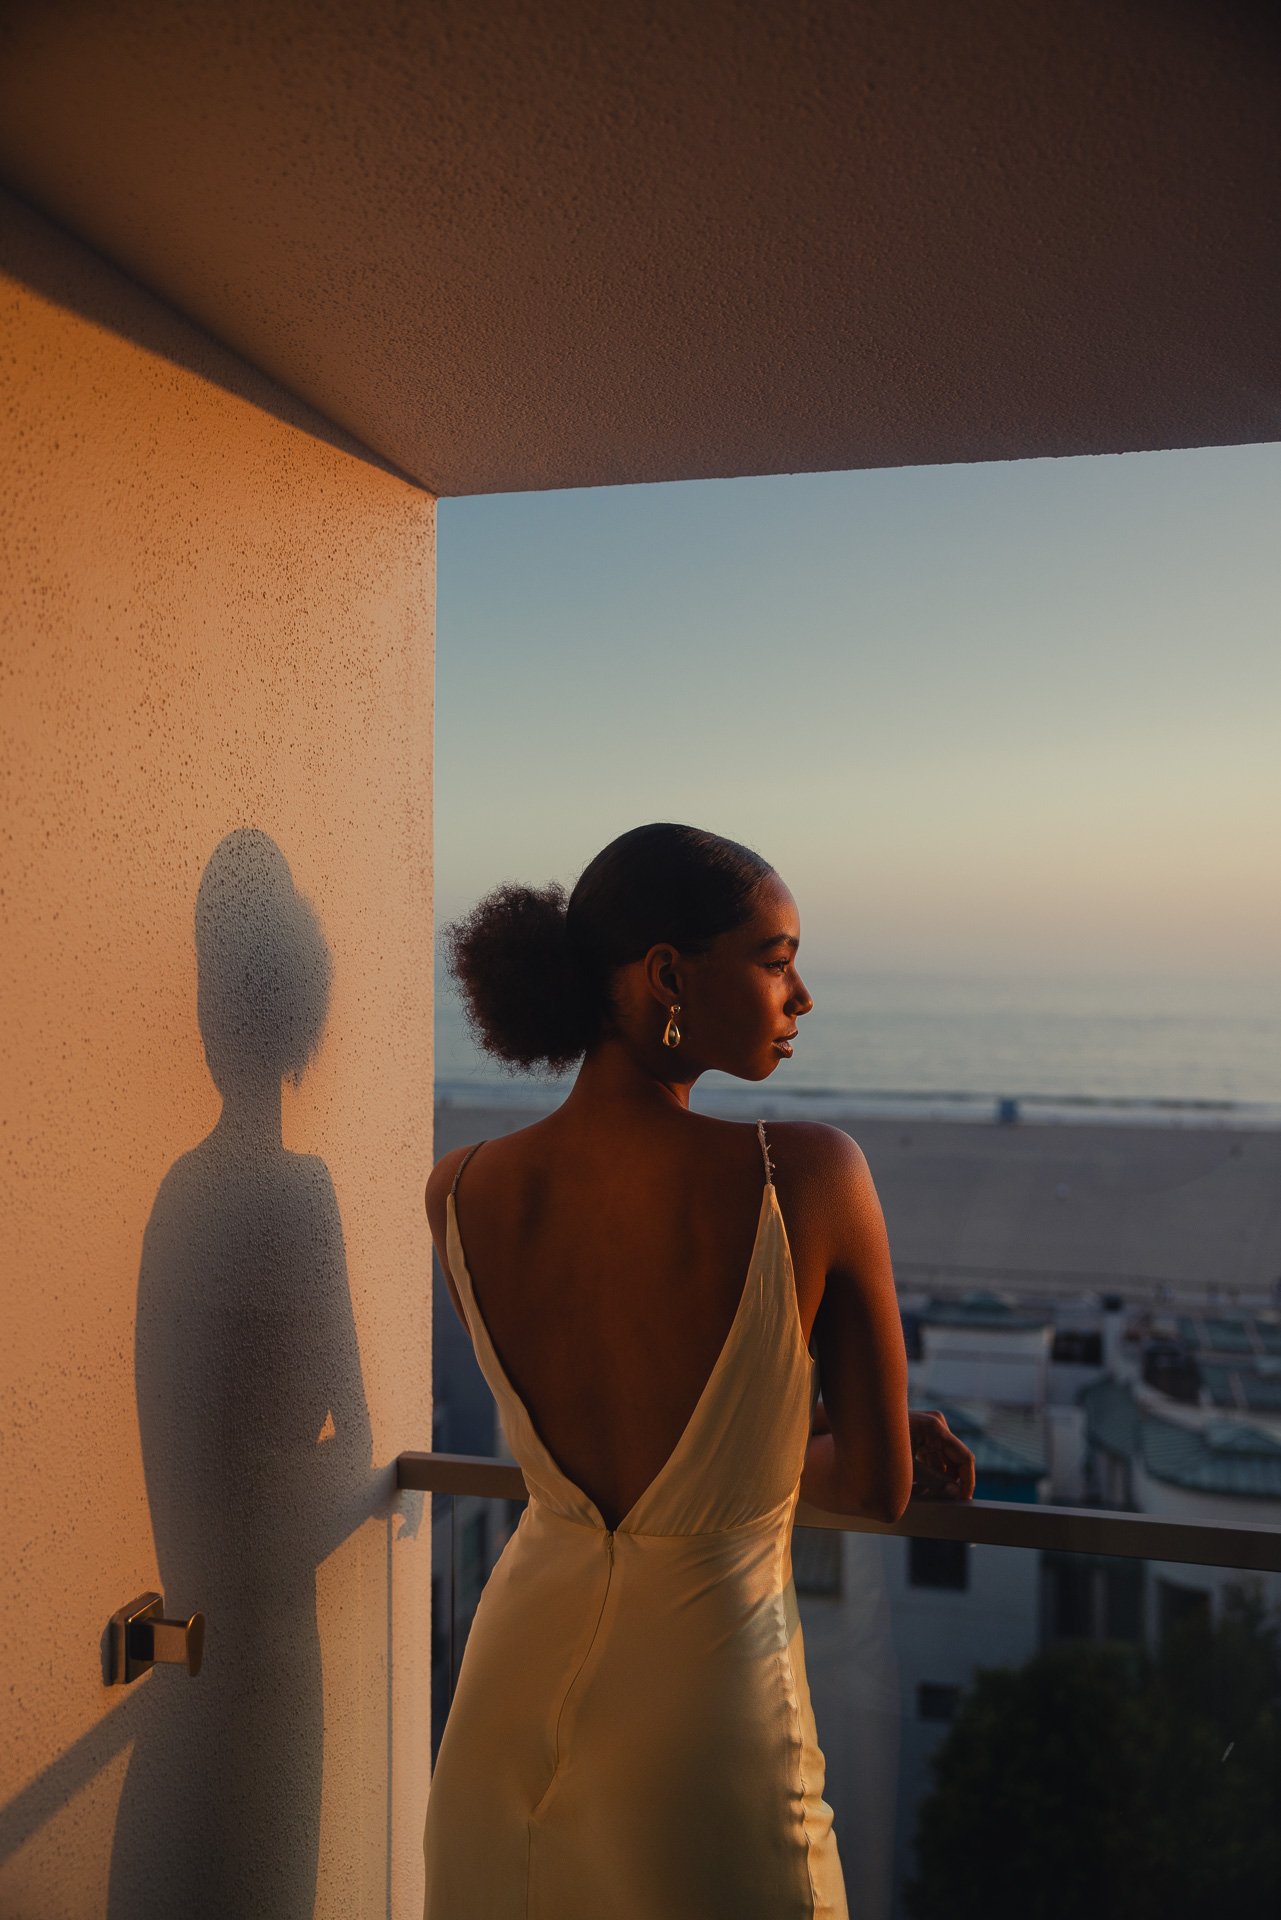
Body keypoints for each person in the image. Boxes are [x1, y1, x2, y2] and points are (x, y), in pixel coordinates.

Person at [422, 823, 974, 1920]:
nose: (801, 994)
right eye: (775, 960)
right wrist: (853, 1442)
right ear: (670, 974)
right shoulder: (805, 1176)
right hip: (706, 1713)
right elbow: (877, 1488)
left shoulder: (461, 1188)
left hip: (505, 1692)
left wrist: (760, 1444)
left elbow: (618, 1458)